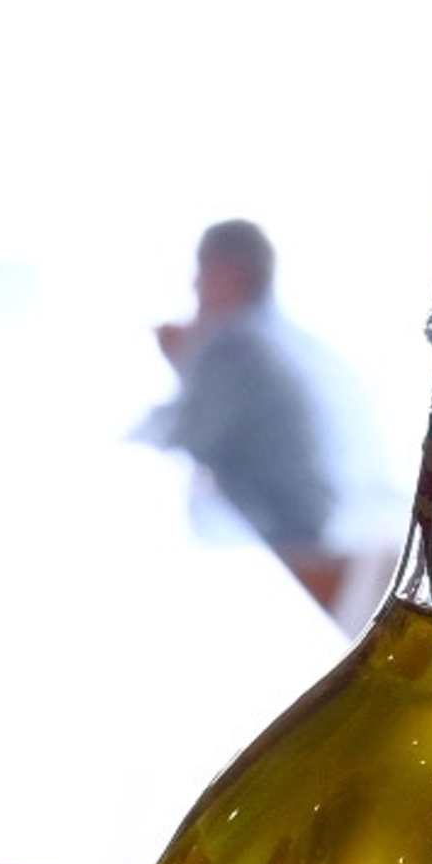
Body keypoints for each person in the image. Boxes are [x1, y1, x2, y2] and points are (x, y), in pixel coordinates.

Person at [151, 219, 361, 608]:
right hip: (321, 527)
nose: (194, 286)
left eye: (202, 270)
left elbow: (188, 436)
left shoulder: (237, 344)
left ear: (231, 272)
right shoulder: (274, 333)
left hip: (287, 538)